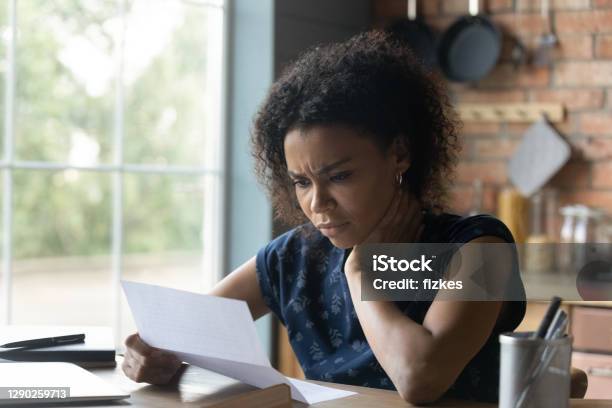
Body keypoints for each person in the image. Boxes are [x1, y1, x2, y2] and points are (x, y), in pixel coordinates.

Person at [121, 30, 525, 404]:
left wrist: (361, 275)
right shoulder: (293, 258)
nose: (317, 203)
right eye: (301, 181)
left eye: (340, 176)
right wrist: (143, 355)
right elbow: (176, 336)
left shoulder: (478, 249)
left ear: (399, 154)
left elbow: (420, 377)